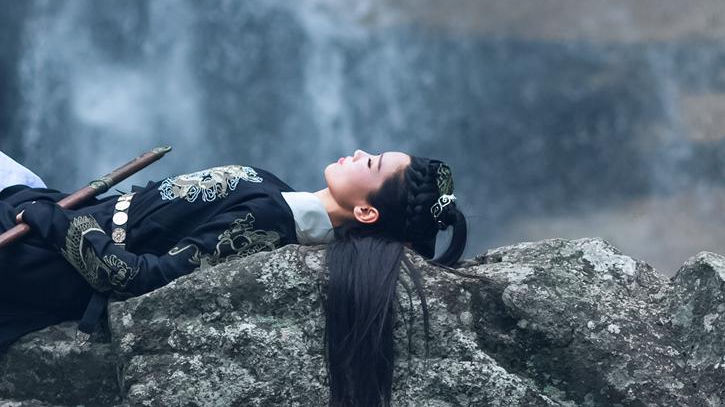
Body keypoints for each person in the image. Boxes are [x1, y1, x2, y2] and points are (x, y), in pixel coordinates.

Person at [0, 148, 468, 407]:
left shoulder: (267, 227)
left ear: (366, 212)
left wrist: (54, 222)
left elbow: (140, 280)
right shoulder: (277, 194)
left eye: (372, 163)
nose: (361, 152)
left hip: (41, 257)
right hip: (49, 214)